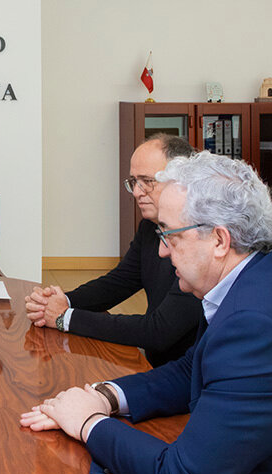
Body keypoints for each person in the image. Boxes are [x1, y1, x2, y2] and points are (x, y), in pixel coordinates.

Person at [20, 152, 272, 474]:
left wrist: (87, 423)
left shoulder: (256, 325)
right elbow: (193, 367)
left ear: (220, 240)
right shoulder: (265, 269)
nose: (162, 251)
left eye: (170, 235)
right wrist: (106, 397)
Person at [25, 134, 202, 366]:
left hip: (185, 379)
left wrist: (65, 317)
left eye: (147, 181)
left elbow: (158, 330)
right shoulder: (149, 227)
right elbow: (118, 283)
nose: (137, 192)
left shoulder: (200, 239)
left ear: (182, 181)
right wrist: (62, 301)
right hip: (157, 368)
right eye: (134, 182)